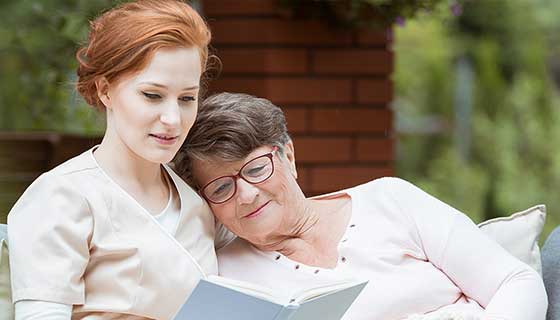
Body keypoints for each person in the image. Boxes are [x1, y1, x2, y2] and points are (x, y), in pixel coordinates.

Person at [174, 92, 548, 320]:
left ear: (288, 155)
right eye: (222, 187)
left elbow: (515, 281)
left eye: (256, 169)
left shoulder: (390, 199)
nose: (247, 194)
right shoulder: (228, 278)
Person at [7, 1, 232, 319]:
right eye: (152, 95)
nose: (172, 118)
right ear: (105, 90)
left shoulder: (199, 201)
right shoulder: (61, 198)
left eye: (187, 98)